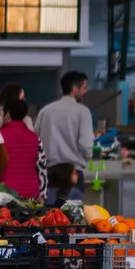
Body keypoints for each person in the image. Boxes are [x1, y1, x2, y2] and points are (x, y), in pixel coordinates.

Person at [35, 71, 95, 204]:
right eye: (84, 88)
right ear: (75, 89)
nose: (86, 92)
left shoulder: (46, 111)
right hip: (73, 173)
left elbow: (35, 141)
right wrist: (87, 157)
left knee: (48, 217)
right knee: (72, 217)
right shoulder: (83, 112)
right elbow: (86, 145)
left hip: (49, 173)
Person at [0, 99, 47, 201]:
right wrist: (43, 195)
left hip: (6, 192)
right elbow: (41, 168)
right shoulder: (35, 137)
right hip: (31, 192)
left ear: (7, 115)